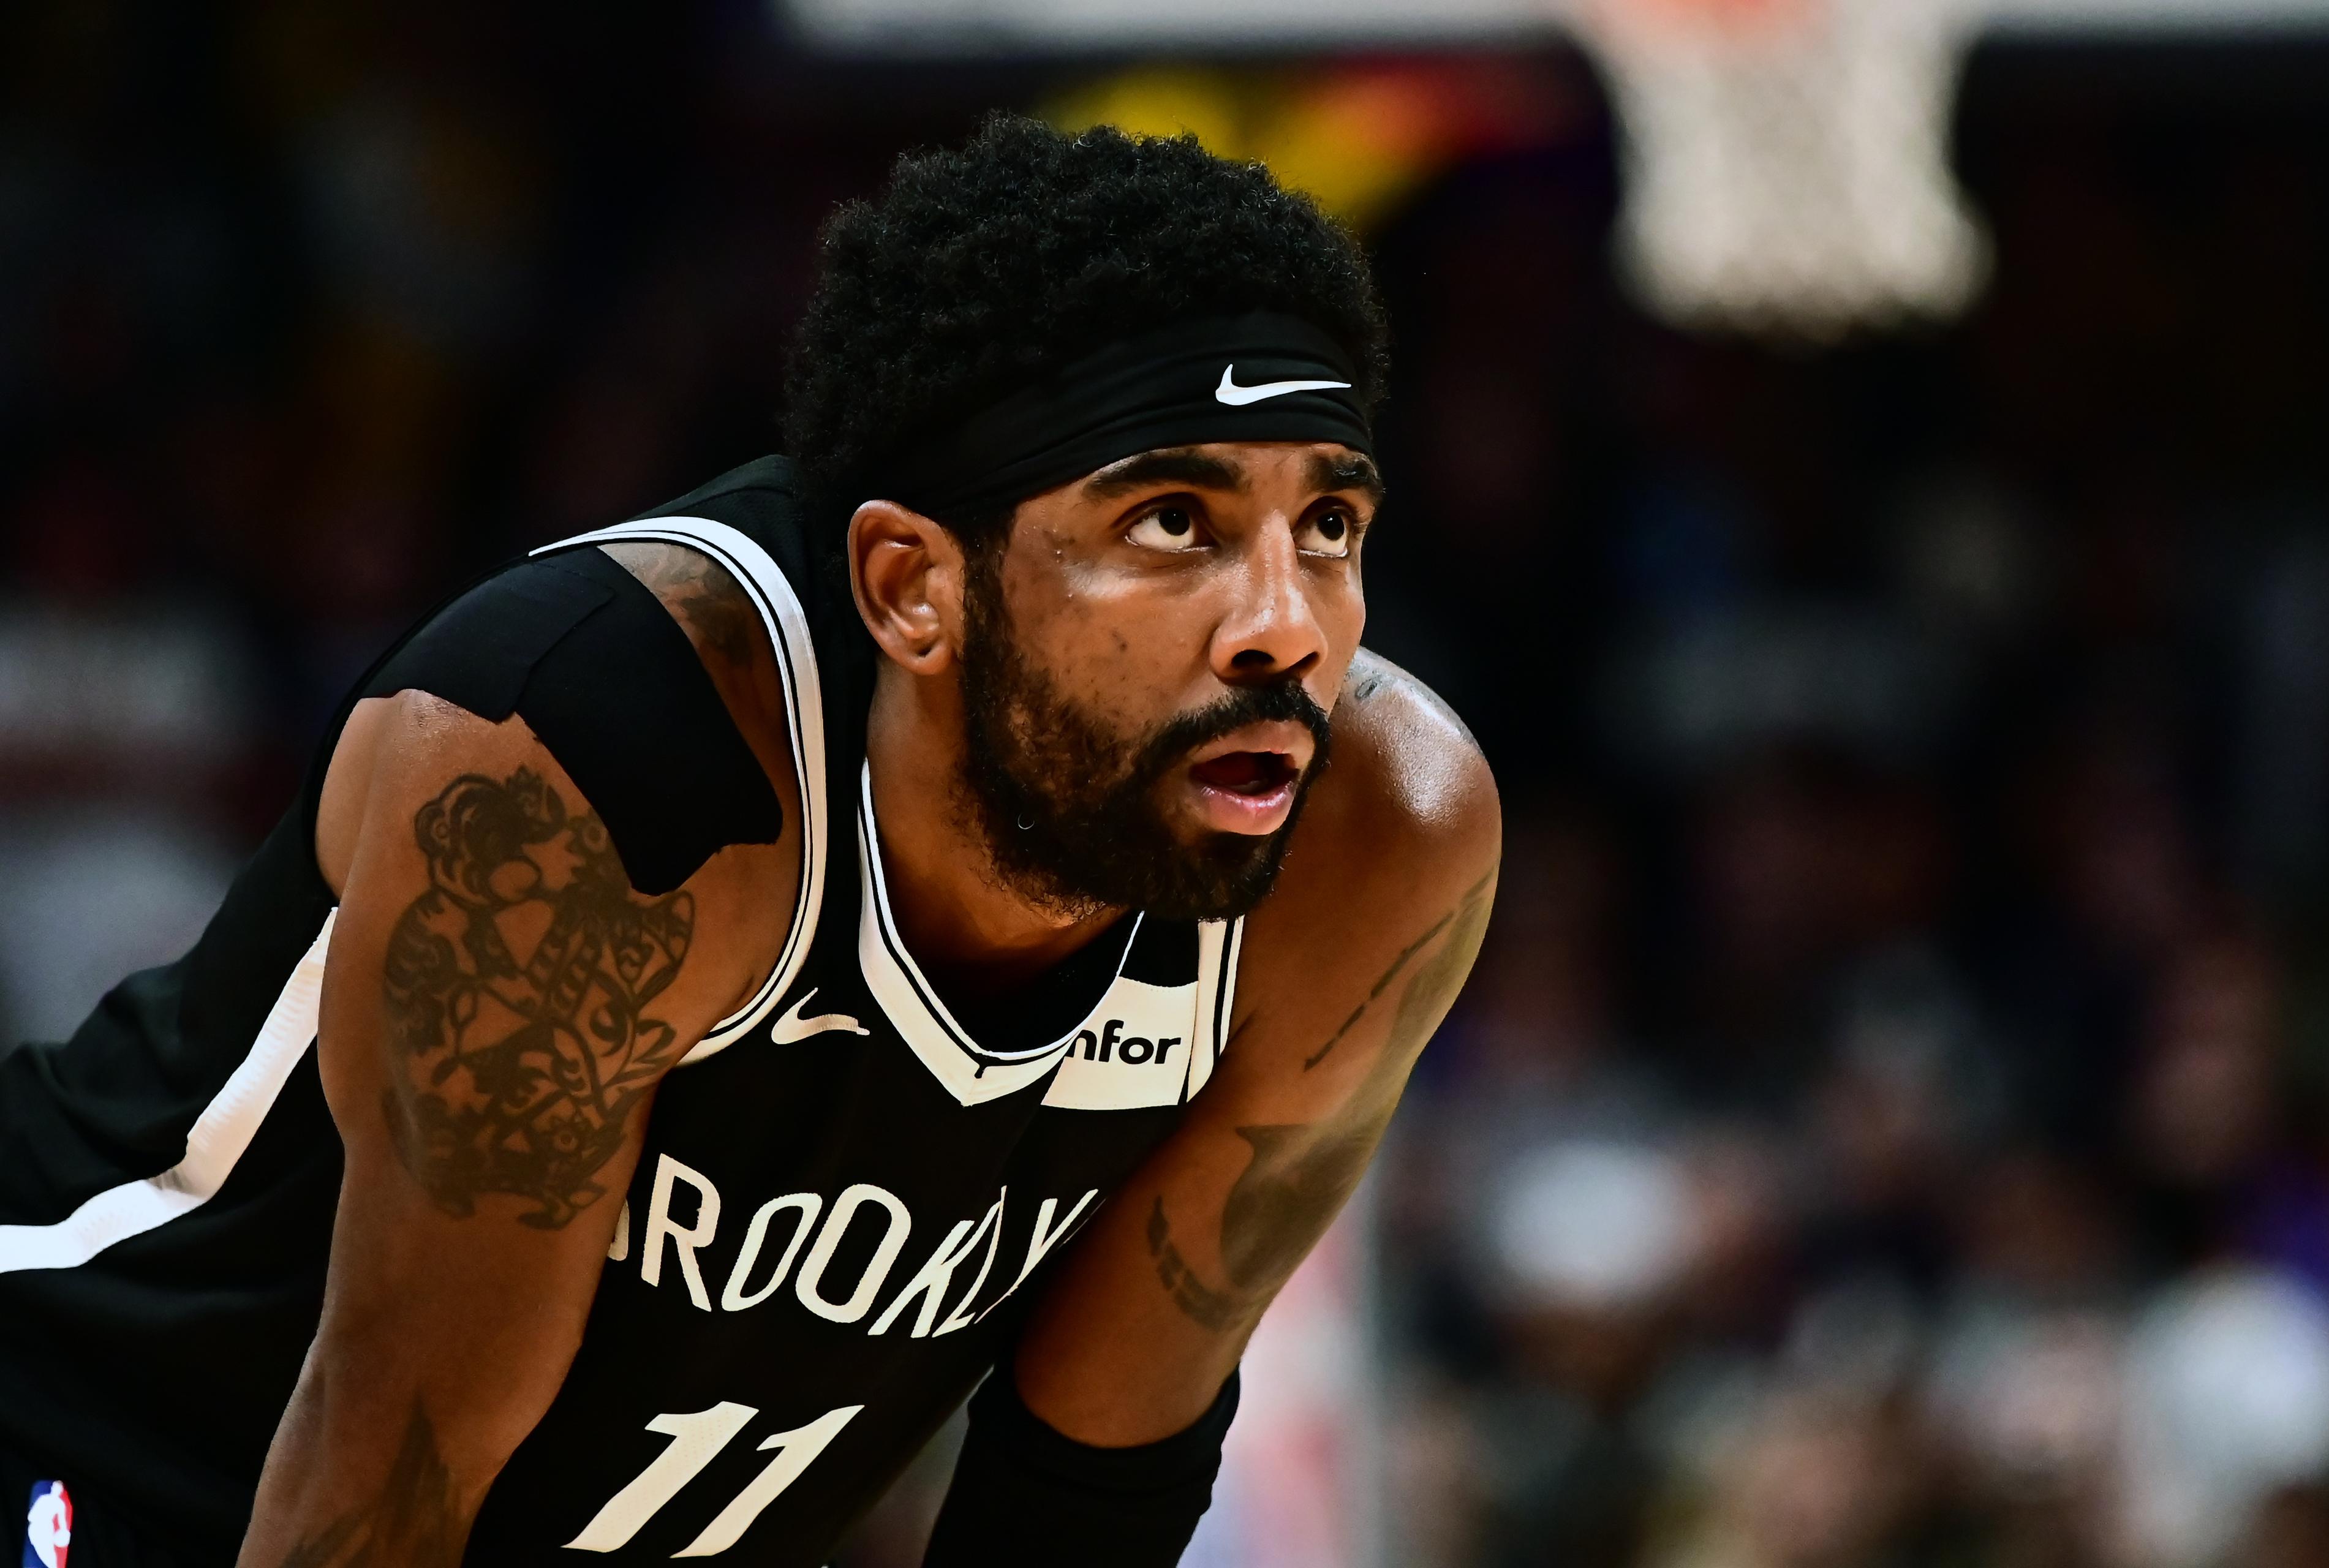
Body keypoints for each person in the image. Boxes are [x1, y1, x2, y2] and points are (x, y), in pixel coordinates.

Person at [0, 116, 1498, 1567]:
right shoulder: (611, 767)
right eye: (1174, 521)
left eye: (1332, 526)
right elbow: (382, 1476)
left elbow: (1087, 1484)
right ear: (913, 586)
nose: (1287, 627)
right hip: (104, 1445)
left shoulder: (1382, 836)